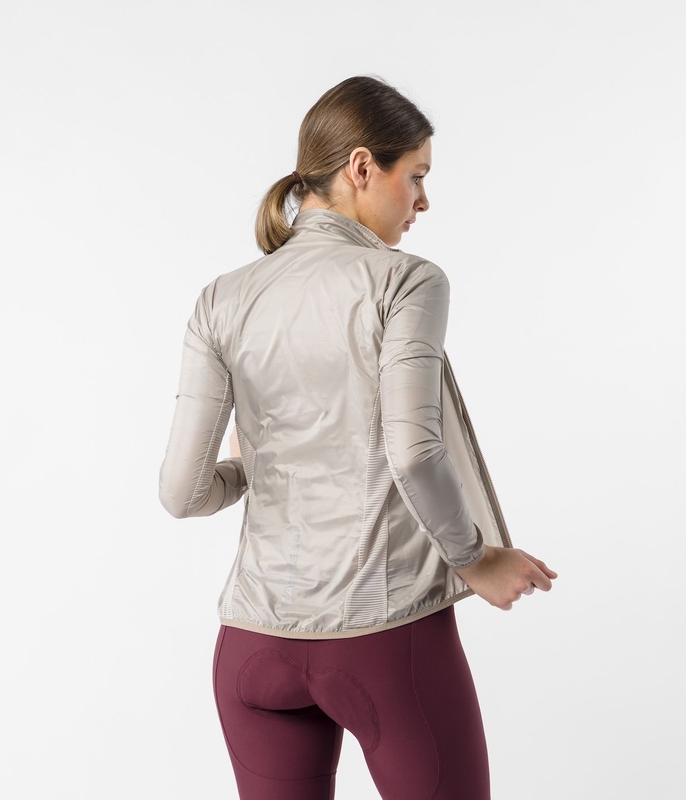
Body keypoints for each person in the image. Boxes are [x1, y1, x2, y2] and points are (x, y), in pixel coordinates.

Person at [159, 75, 557, 800]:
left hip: (251, 648)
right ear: (363, 167)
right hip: (384, 641)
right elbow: (414, 453)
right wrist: (474, 558)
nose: (423, 201)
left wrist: (253, 467)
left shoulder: (222, 298)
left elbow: (180, 494)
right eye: (418, 176)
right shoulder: (405, 281)